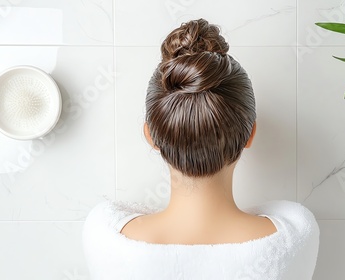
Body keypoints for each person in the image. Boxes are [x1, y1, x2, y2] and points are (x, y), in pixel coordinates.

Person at [82, 18, 319, 279]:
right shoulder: (292, 237)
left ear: (150, 136)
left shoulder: (106, 237)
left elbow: (118, 213)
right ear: (250, 134)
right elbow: (280, 212)